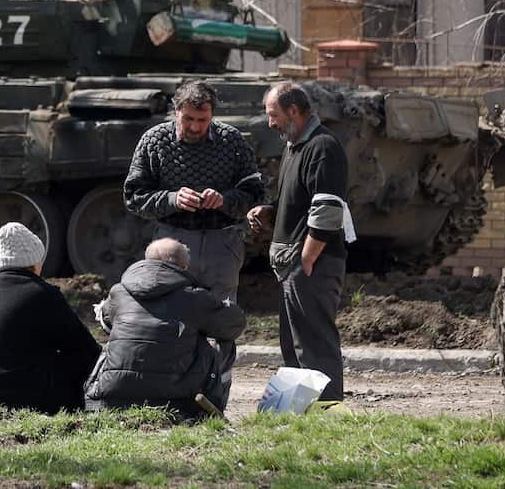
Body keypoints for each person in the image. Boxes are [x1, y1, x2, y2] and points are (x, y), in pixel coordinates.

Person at [247, 81, 353, 403]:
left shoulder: (322, 147)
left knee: (315, 344)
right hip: (294, 266)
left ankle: (326, 410)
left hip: (311, 265)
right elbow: (300, 201)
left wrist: (306, 259)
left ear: (293, 111)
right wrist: (271, 212)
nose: (270, 123)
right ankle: (301, 415)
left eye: (273, 114)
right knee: (295, 345)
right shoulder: (295, 147)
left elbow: (328, 209)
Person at [123, 80, 264, 303]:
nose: (195, 127)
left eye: (203, 120)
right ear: (176, 111)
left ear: (212, 115)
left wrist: (224, 200)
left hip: (222, 244)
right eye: (188, 118)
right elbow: (134, 196)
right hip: (171, 245)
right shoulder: (154, 141)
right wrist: (172, 199)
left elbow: (255, 193)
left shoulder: (232, 141)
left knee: (221, 319)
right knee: (171, 315)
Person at [84, 238, 246, 419]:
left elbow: (106, 323)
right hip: (178, 401)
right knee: (222, 341)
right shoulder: (195, 298)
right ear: (183, 267)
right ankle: (210, 410)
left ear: (146, 261)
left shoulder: (119, 292)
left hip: (113, 396)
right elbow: (234, 325)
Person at [0, 222, 100, 414]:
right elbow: (85, 347)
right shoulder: (43, 294)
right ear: (35, 262)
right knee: (73, 358)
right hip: (18, 398)